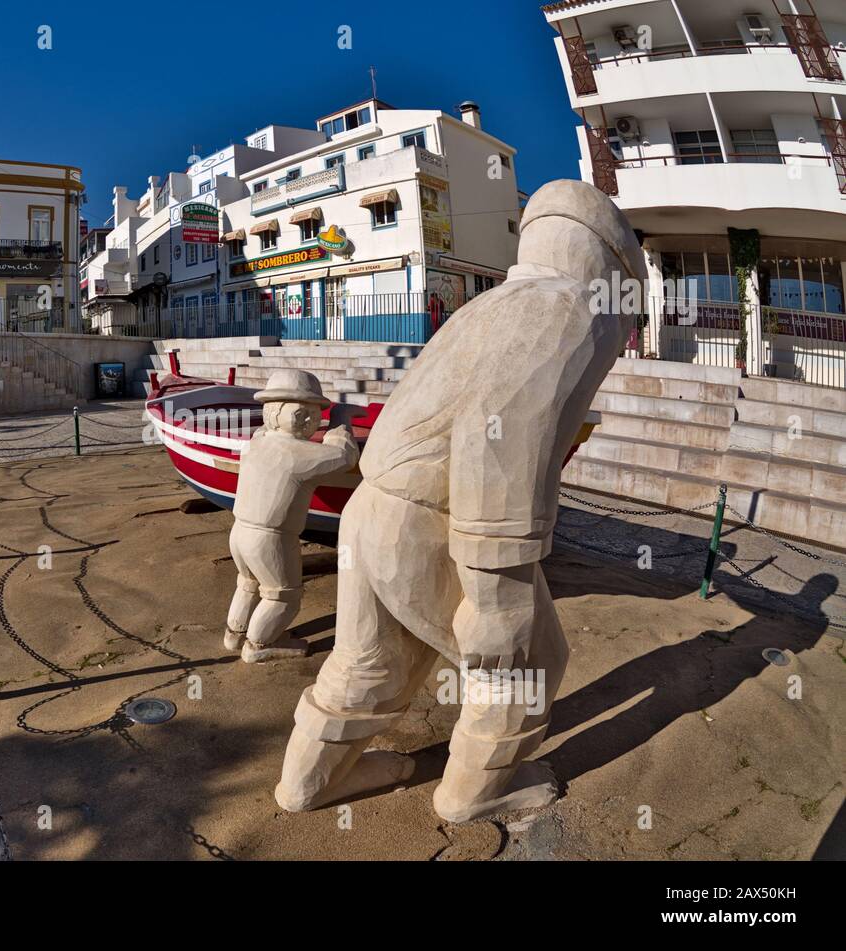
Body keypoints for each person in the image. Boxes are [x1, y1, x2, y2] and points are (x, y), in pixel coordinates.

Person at [274, 180, 645, 823]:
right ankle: (474, 792)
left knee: (371, 663)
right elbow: (495, 443)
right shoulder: (565, 310)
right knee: (525, 665)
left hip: (374, 509)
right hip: (428, 521)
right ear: (610, 264)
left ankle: (306, 784)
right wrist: (497, 597)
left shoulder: (494, 302)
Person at [224, 369, 358, 663]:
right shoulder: (299, 454)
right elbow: (345, 456)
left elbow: (266, 434)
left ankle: (234, 634)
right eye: (301, 413)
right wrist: (341, 419)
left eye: (315, 413)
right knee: (282, 595)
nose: (310, 420)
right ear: (274, 412)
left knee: (247, 583)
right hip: (271, 539)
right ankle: (258, 646)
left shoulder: (258, 441)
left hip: (239, 533)